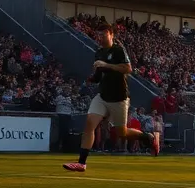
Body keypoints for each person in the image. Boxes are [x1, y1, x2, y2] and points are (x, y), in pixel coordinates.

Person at [63, 23, 160, 171]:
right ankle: (82, 163)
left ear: (111, 34)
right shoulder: (99, 52)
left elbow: (128, 69)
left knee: (122, 133)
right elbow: (99, 75)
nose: (100, 38)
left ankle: (149, 138)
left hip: (119, 98)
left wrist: (107, 65)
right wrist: (92, 78)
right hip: (103, 96)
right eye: (99, 35)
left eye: (103, 34)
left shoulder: (118, 50)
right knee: (89, 123)